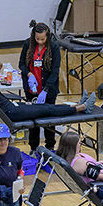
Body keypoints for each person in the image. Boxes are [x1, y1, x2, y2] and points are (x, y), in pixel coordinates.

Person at [0, 21, 97, 121]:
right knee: (47, 109)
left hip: (15, 106)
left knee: (46, 108)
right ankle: (82, 107)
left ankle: (77, 105)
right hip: (11, 111)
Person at [18, 20, 63, 152]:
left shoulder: (53, 47)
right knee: (33, 120)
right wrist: (29, 74)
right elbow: (21, 64)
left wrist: (46, 90)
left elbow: (55, 70)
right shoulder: (28, 44)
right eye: (37, 39)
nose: (40, 42)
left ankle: (50, 146)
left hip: (48, 90)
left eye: (43, 39)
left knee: (49, 120)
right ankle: (34, 148)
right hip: (32, 89)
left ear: (47, 36)